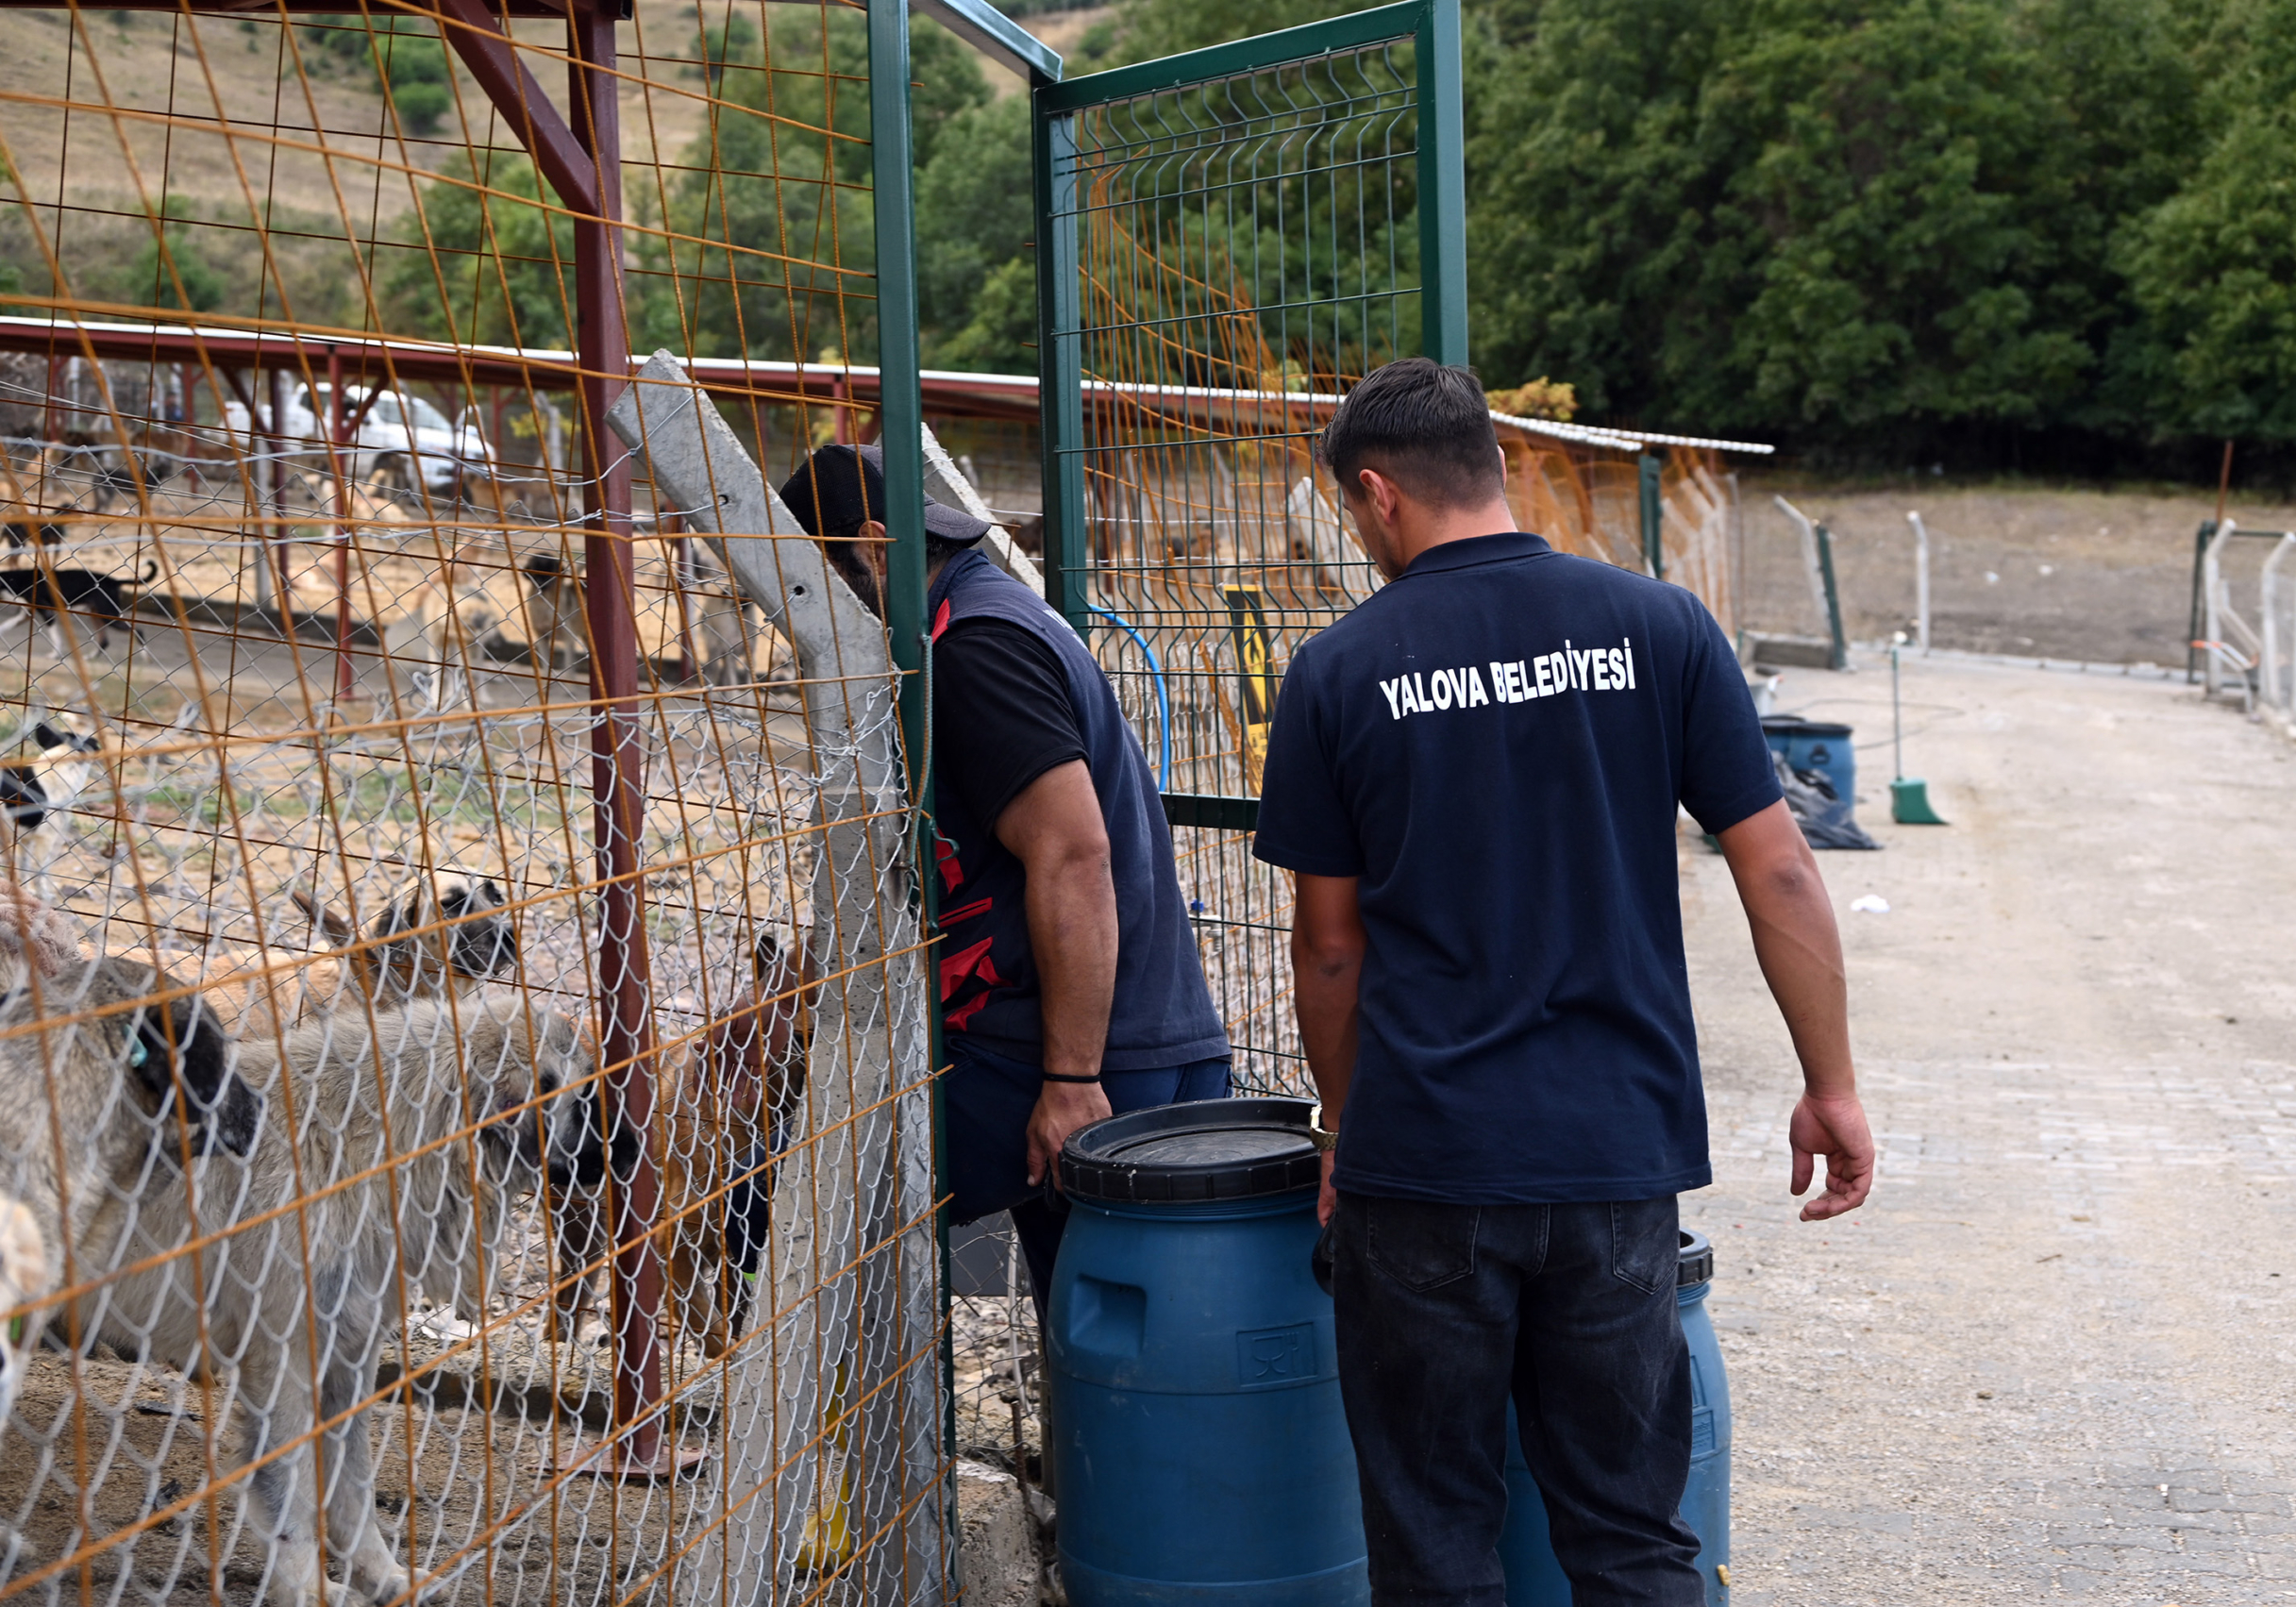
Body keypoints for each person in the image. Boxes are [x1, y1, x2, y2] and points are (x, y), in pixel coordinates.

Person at [1250, 360, 1875, 1606]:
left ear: (1377, 495)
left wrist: (1342, 1124)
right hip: (1613, 1157)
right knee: (1632, 1534)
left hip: (1426, 1159)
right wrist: (1832, 1083)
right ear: (1492, 465)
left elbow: (1328, 945)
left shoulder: (1337, 670)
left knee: (1436, 1549)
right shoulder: (1663, 627)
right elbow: (1783, 873)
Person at [779, 444, 1231, 1304]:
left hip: (1083, 1061)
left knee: (799, 1190)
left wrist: (1070, 1081)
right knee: (1102, 1339)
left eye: (811, 588)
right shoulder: (996, 610)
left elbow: (1073, 852)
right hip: (1122, 1033)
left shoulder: (975, 647)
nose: (798, 623)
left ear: (873, 547)